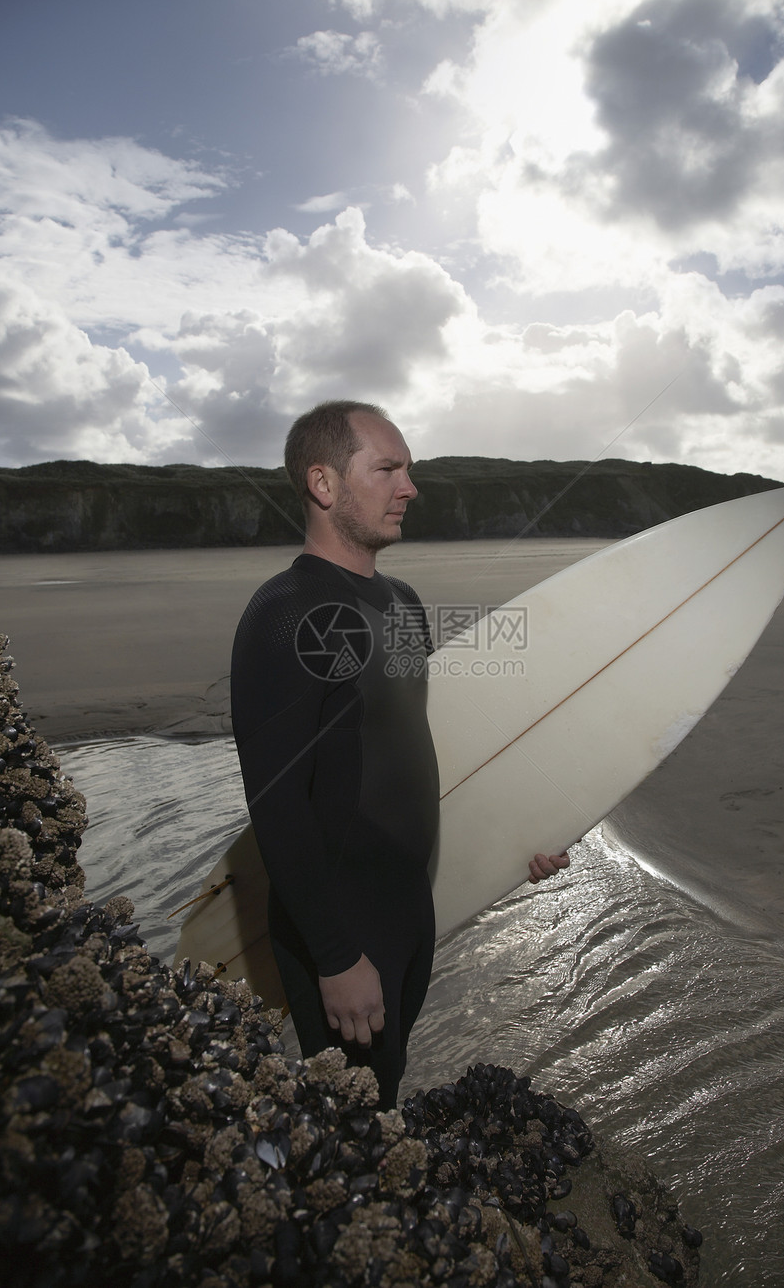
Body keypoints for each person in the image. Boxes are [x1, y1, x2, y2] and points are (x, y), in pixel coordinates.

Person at [230, 400, 569, 1109]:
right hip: (344, 927)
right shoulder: (285, 615)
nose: (409, 487)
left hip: (411, 906)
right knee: (353, 1122)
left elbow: (414, 755)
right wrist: (334, 956)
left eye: (408, 469)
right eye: (387, 469)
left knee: (386, 1089)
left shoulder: (404, 604)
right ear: (324, 486)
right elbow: (277, 803)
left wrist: (517, 843)